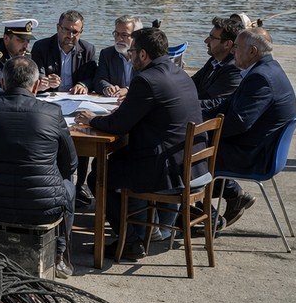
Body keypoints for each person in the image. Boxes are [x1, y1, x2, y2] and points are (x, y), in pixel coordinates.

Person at [75, 27, 206, 261]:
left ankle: (131, 241)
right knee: (115, 163)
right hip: (190, 161)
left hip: (166, 168)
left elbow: (118, 126)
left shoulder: (146, 80)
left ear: (143, 54)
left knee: (100, 177)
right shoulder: (179, 73)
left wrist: (92, 119)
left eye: (132, 51)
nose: (129, 56)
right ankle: (141, 227)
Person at [0, 56, 77, 278]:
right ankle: (59, 253)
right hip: (42, 207)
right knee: (70, 185)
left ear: (4, 84)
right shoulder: (53, 113)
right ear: (36, 85)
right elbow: (71, 163)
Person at [205, 27, 296, 227]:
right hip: (261, 148)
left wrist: (203, 130)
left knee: (188, 151)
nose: (232, 52)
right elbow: (227, 105)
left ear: (252, 51)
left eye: (236, 47)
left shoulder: (261, 78)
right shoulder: (266, 69)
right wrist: (194, 107)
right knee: (195, 145)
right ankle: (221, 201)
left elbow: (239, 122)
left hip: (255, 155)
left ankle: (206, 219)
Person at [31, 10, 97, 94]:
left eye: (75, 32)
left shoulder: (88, 49)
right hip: (49, 97)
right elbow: (37, 75)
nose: (70, 36)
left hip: (75, 97)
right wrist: (47, 81)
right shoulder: (41, 47)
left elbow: (93, 77)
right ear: (58, 28)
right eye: (66, 30)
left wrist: (83, 85)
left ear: (81, 32)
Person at [190, 16, 243, 113]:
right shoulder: (213, 61)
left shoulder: (234, 69)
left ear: (227, 44)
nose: (206, 41)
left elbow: (215, 103)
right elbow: (191, 83)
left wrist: (182, 102)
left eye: (212, 38)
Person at [92, 15, 143, 99]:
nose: (119, 38)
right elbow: (99, 80)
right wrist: (107, 88)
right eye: (116, 34)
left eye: (124, 35)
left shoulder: (144, 55)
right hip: (113, 102)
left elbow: (152, 83)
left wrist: (127, 90)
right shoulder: (107, 54)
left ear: (136, 37)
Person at [0, 18, 37, 86]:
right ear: (6, 38)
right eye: (21, 40)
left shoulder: (26, 55)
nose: (26, 46)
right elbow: (1, 84)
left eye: (28, 41)